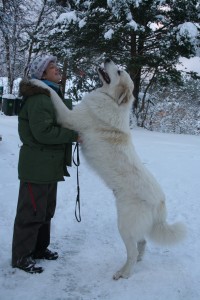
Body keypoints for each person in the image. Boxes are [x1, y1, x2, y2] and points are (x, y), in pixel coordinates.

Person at [12, 54, 78, 274]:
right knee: (31, 212)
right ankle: (22, 257)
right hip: (37, 165)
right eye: (52, 67)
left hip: (48, 164)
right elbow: (44, 133)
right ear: (42, 73)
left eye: (57, 66)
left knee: (45, 211)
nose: (57, 69)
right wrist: (72, 135)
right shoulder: (40, 98)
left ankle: (39, 249)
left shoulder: (50, 95)